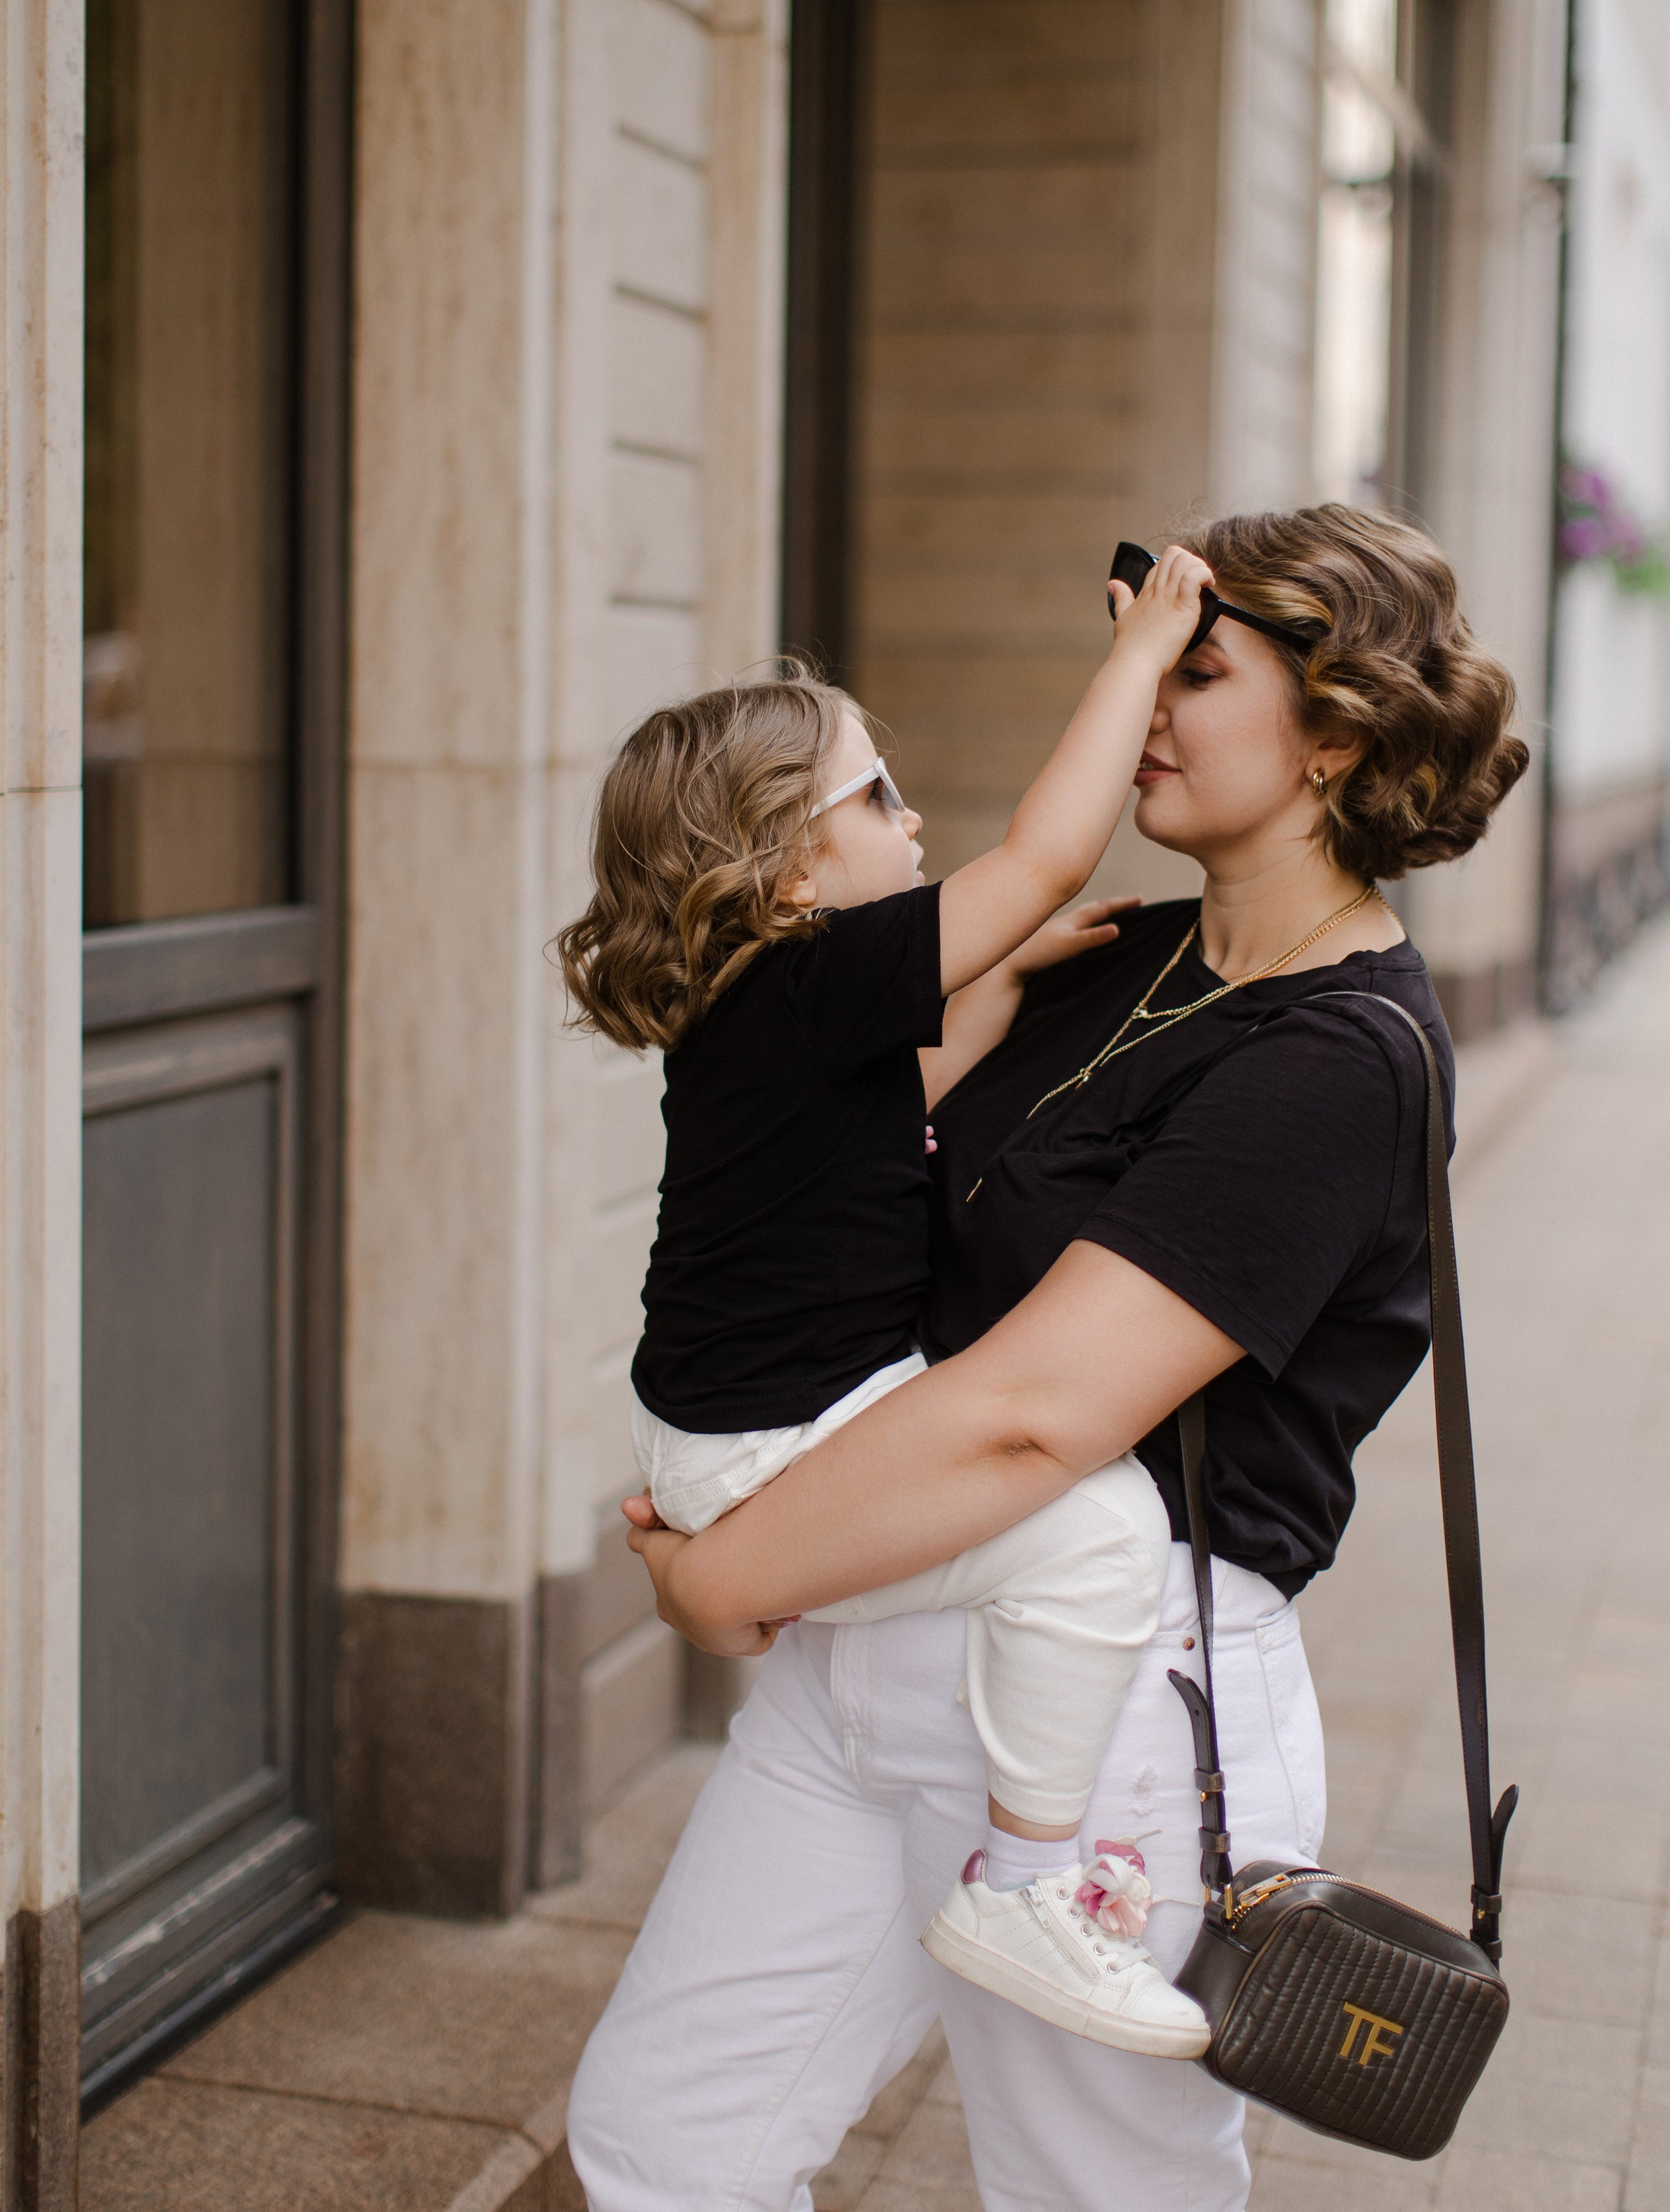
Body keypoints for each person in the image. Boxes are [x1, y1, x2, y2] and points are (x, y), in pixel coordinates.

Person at [567, 503, 1530, 2212]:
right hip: (864, 1657)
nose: (1140, 700)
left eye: (1193, 668)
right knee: (668, 2146)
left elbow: (1034, 1420)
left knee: (1100, 2199)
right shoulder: (1123, 965)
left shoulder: (1346, 1058)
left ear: (1338, 737)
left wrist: (726, 1576)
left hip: (1110, 1710)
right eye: (1128, 662)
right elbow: (841, 1202)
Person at [556, 543, 1228, 2055]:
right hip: (771, 1445)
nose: (908, 817)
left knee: (1047, 1519)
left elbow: (908, 1083)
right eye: (874, 799)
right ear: (790, 871)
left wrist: (1001, 966)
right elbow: (1044, 854)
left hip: (731, 1428)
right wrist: (1141, 658)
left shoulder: (774, 1013)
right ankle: (1026, 1879)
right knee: (1106, 1532)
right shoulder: (819, 978)